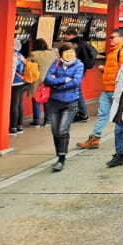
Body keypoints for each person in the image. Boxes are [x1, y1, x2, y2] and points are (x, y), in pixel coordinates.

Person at [77, 30, 123, 150]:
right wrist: (105, 69)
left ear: (121, 38)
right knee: (103, 114)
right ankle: (95, 138)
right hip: (107, 89)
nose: (110, 40)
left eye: (113, 37)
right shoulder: (113, 52)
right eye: (110, 38)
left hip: (116, 89)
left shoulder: (122, 52)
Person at [43, 43, 85, 172]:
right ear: (61, 53)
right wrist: (64, 80)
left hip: (70, 102)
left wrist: (57, 84)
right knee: (55, 131)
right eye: (66, 52)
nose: (69, 54)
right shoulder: (56, 64)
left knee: (62, 130)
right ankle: (59, 154)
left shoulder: (79, 64)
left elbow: (76, 82)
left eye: (71, 52)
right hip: (54, 102)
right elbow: (48, 79)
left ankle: (62, 158)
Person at [63, 28, 93, 122]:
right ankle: (80, 113)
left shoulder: (73, 44)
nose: (64, 37)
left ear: (70, 35)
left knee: (76, 91)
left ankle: (82, 114)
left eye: (65, 35)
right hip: (81, 70)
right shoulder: (83, 42)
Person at [28, 38, 58, 127]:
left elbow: (28, 66)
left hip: (37, 79)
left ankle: (36, 121)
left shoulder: (33, 54)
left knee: (36, 99)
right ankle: (47, 120)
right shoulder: (53, 54)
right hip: (49, 79)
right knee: (47, 99)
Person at [9, 38, 27, 135]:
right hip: (23, 83)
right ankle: (20, 126)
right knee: (20, 105)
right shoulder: (21, 56)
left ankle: (13, 128)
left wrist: (8, 84)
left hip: (15, 84)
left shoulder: (13, 57)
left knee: (14, 106)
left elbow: (12, 73)